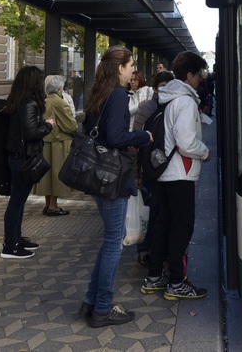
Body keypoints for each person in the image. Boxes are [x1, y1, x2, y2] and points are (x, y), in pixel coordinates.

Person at [78, 46, 153, 328]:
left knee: (111, 238)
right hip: (113, 177)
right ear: (120, 68)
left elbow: (97, 132)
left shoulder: (100, 91)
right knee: (114, 242)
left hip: (97, 175)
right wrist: (142, 135)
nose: (133, 70)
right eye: (131, 65)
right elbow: (115, 136)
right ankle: (102, 309)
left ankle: (91, 301)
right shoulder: (119, 95)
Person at [141, 51, 211, 300]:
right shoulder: (186, 101)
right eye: (199, 74)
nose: (201, 79)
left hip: (164, 173)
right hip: (181, 172)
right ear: (189, 75)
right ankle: (176, 282)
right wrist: (205, 152)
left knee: (163, 224)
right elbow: (186, 142)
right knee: (182, 227)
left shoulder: (168, 98)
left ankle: (154, 277)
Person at [2, 65, 55, 259]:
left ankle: (16, 239)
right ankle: (10, 246)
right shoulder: (29, 103)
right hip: (24, 158)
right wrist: (48, 126)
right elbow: (31, 132)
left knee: (19, 200)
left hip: (17, 157)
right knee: (17, 202)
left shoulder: (17, 101)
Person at [131, 70, 175, 267]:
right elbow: (135, 142)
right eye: (162, 87)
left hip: (166, 169)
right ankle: (145, 251)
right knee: (152, 211)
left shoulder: (172, 106)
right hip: (150, 169)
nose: (165, 91)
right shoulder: (148, 108)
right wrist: (135, 173)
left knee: (161, 212)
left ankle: (156, 249)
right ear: (155, 89)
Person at [33, 75, 77, 216]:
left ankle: (48, 205)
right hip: (59, 143)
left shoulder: (43, 101)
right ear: (60, 87)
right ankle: (53, 206)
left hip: (45, 142)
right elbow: (70, 125)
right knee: (57, 176)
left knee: (47, 177)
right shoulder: (60, 102)